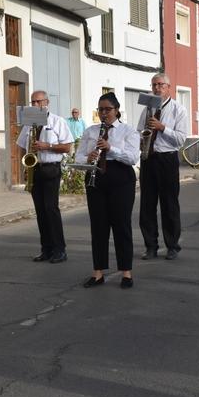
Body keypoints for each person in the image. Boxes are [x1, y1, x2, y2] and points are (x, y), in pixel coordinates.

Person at [75, 93, 140, 288]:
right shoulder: (90, 131)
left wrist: (111, 148)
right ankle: (98, 272)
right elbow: (77, 157)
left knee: (121, 225)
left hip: (120, 178)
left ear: (117, 110)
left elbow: (131, 158)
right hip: (96, 177)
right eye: (100, 110)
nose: (104, 114)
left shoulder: (128, 131)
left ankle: (126, 272)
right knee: (98, 226)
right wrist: (88, 158)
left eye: (107, 110)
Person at [16, 91, 74, 263]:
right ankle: (46, 249)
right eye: (32, 101)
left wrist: (47, 146)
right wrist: (25, 166)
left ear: (46, 102)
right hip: (36, 169)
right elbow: (21, 145)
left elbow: (67, 147)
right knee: (40, 211)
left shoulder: (57, 121)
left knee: (51, 209)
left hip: (51, 168)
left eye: (38, 101)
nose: (35, 105)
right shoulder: (28, 123)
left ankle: (60, 249)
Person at [138, 73, 188, 260]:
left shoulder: (178, 110)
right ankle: (151, 246)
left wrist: (162, 127)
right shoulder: (148, 109)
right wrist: (141, 141)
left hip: (167, 159)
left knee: (169, 204)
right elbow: (139, 131)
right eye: (154, 85)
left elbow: (181, 139)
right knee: (147, 205)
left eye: (161, 85)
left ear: (168, 87)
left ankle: (172, 246)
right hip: (148, 159)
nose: (157, 88)